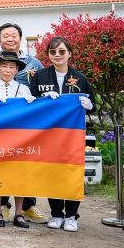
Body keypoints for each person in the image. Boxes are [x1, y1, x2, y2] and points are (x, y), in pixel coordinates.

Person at [0, 22, 49, 224]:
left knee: (21, 171)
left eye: (14, 35)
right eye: (5, 36)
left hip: (21, 133)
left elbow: (39, 91)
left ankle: (23, 210)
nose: (10, 39)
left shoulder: (33, 66)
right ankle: (0, 210)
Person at [29, 36, 94, 232]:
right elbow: (30, 103)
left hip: (72, 135)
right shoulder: (39, 76)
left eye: (62, 51)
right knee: (53, 172)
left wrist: (89, 106)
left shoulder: (80, 78)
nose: (57, 55)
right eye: (53, 52)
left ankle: (73, 215)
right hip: (48, 135)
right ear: (48, 54)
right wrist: (42, 99)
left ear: (69, 54)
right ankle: (56, 214)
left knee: (72, 172)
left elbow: (93, 106)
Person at [0, 51, 33, 228]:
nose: (8, 70)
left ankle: (19, 214)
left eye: (12, 66)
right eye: (4, 66)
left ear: (17, 69)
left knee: (19, 174)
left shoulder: (23, 89)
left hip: (18, 138)